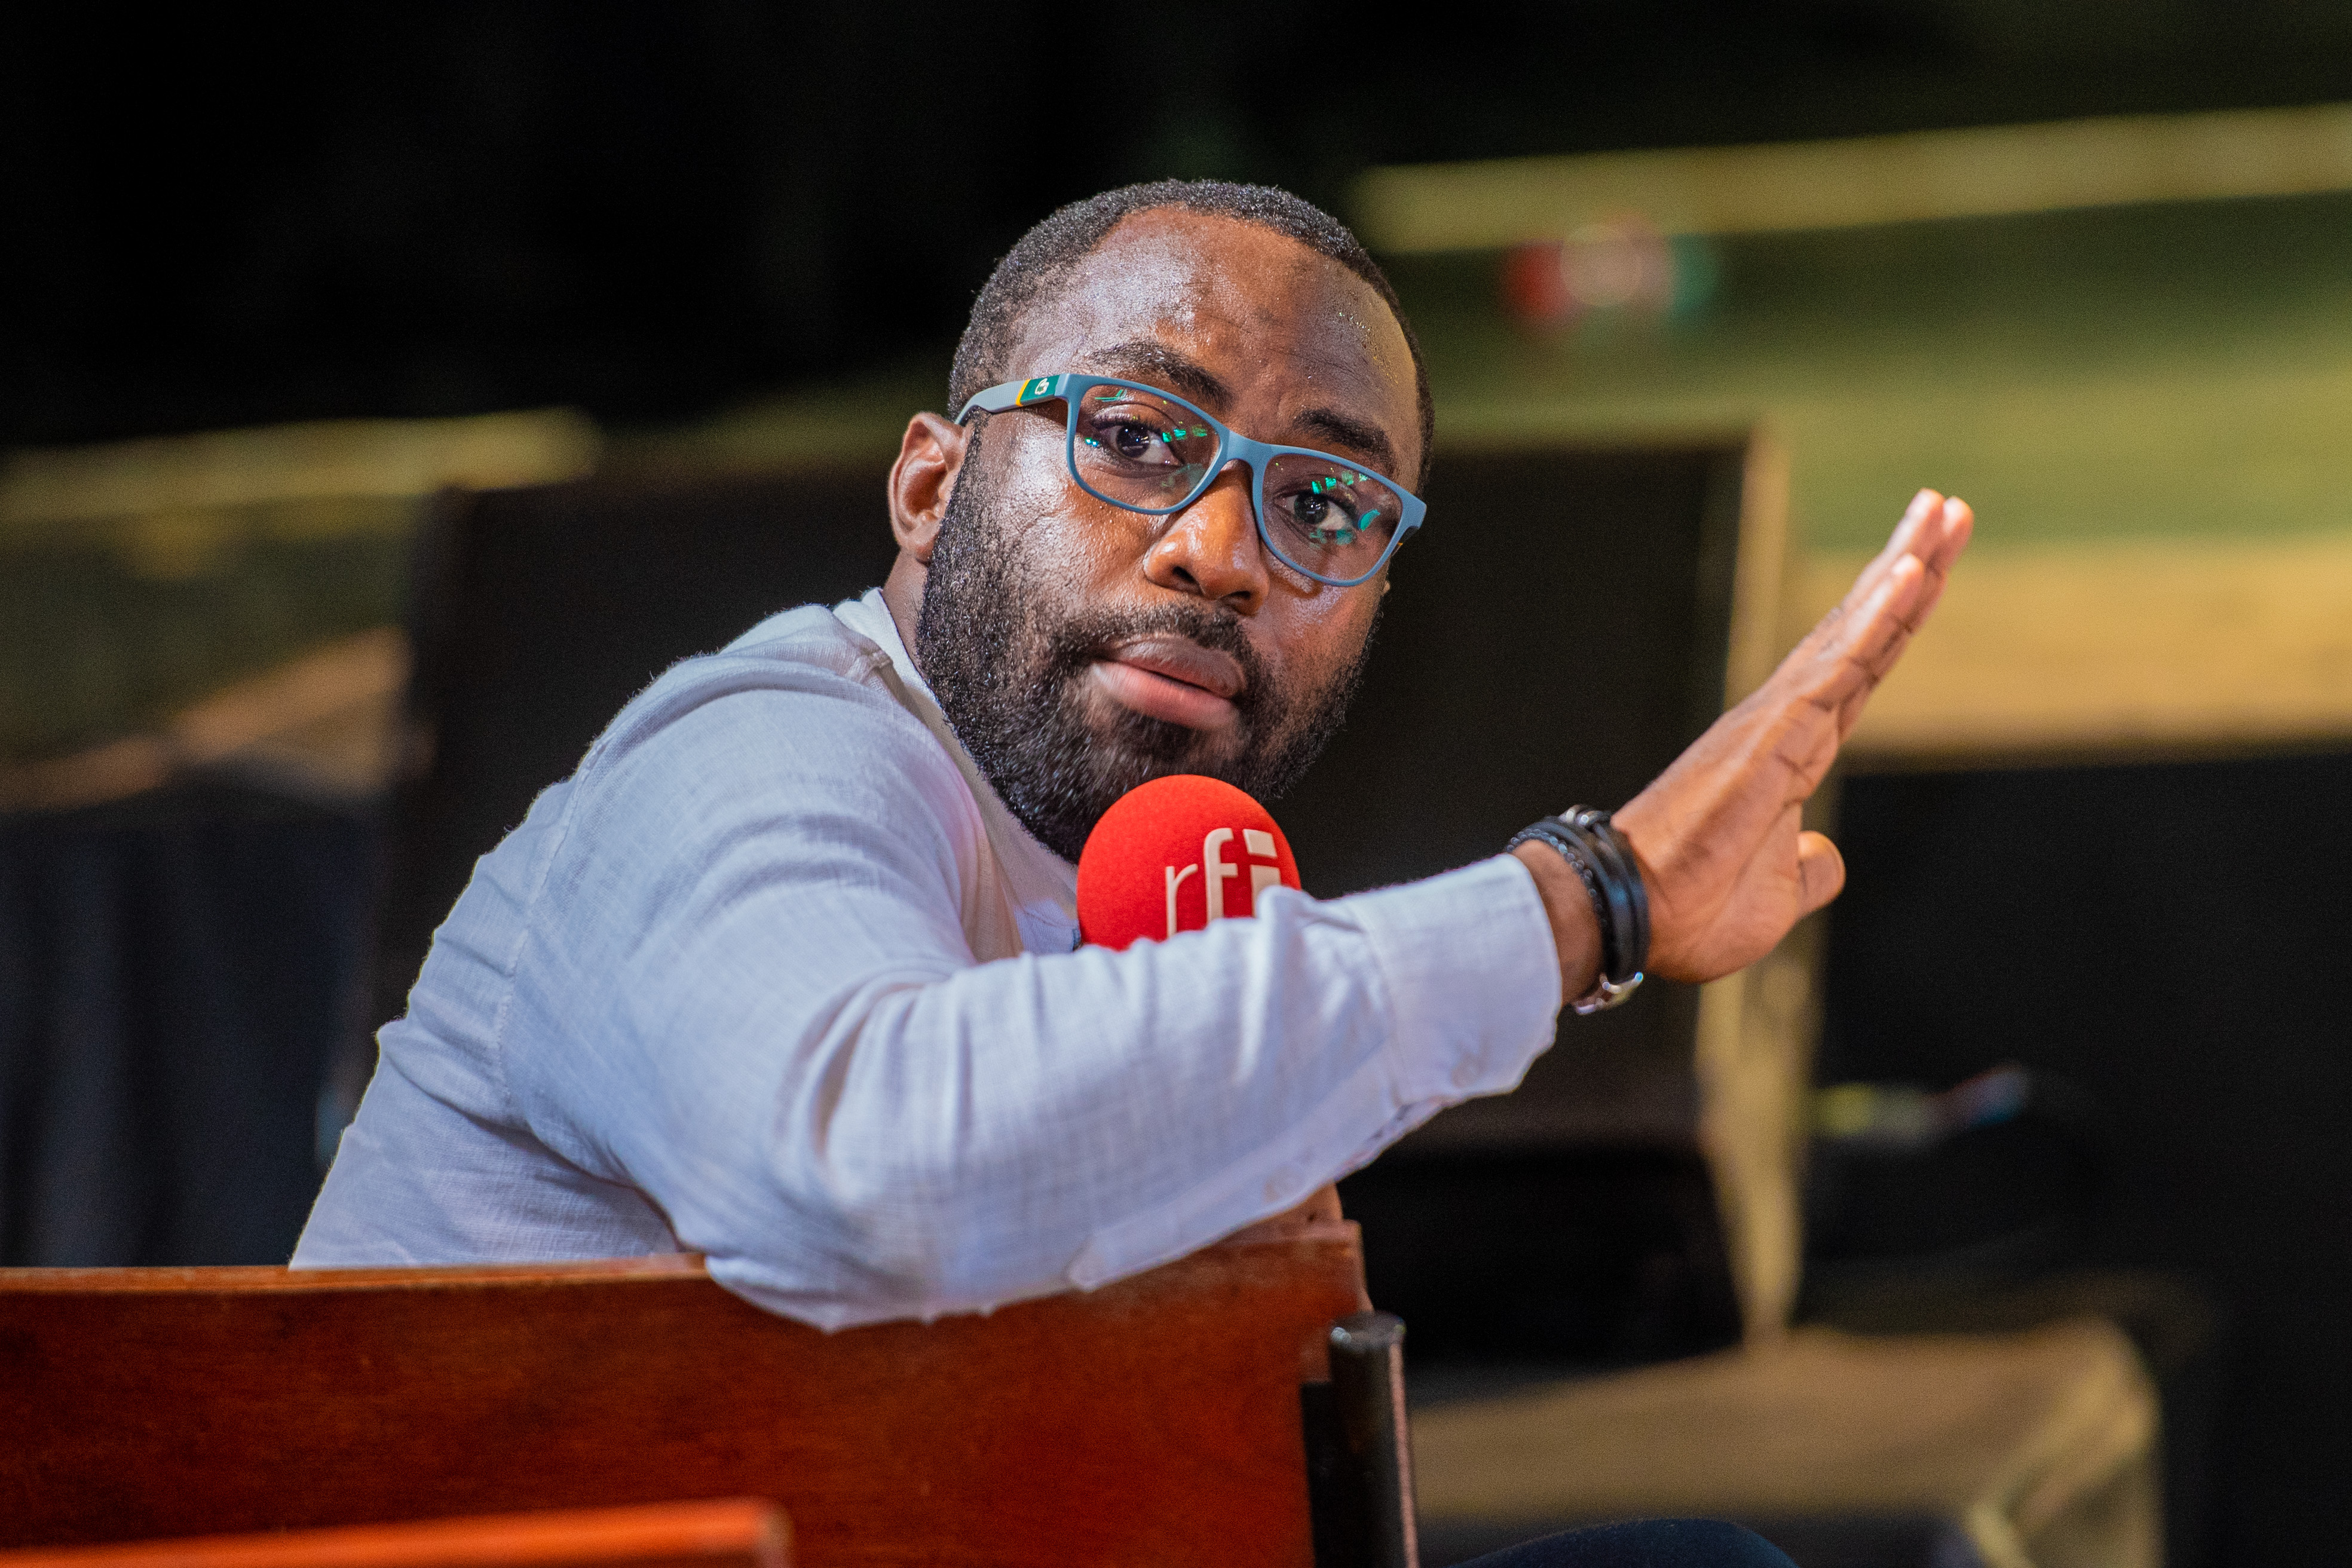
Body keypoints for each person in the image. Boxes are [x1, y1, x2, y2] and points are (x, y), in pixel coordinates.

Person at [296, 181, 1968, 1567]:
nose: (1221, 554)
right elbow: (866, 1164)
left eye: (1326, 503)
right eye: (1141, 438)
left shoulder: (1153, 882)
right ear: (933, 485)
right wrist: (1580, 904)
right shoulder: (746, 752)